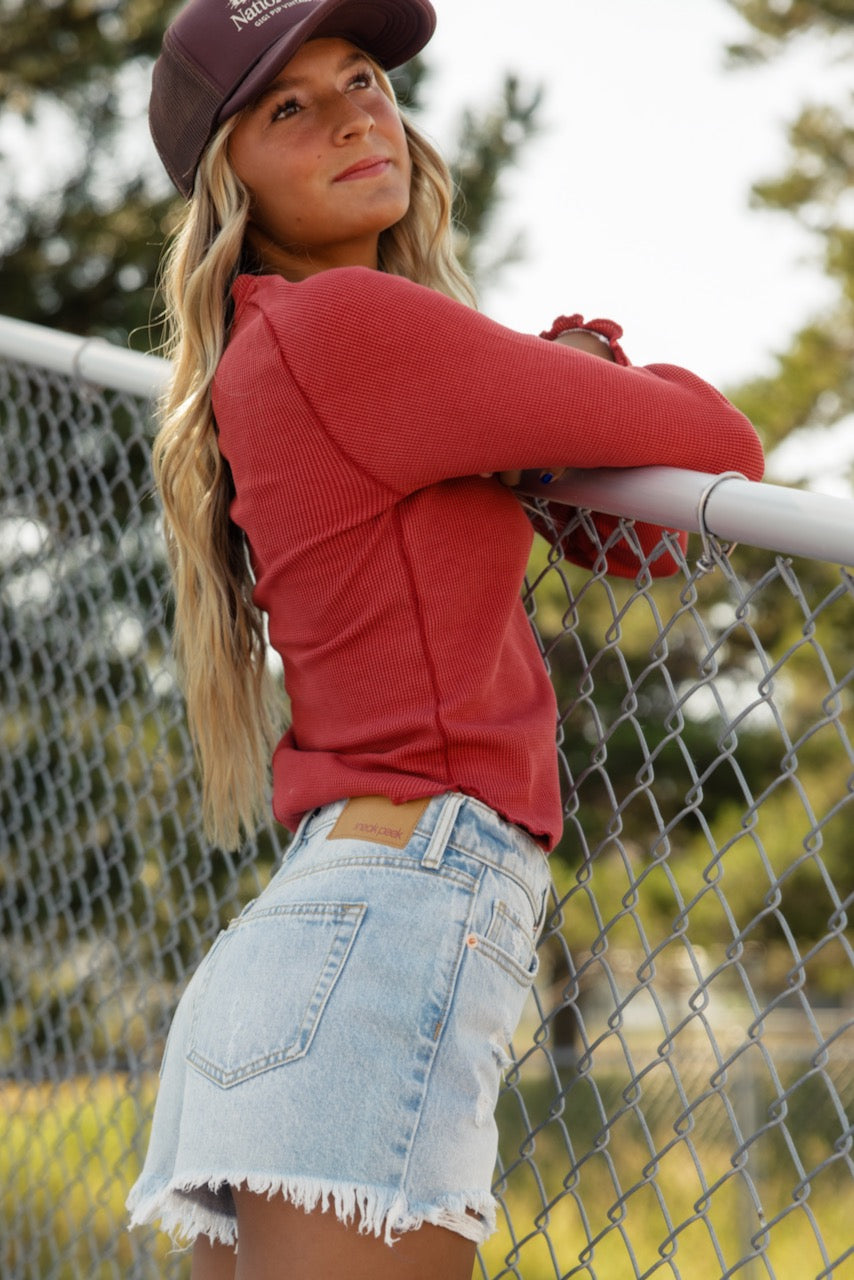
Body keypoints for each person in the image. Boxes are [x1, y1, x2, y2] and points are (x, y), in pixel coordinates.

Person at [127, 1, 765, 1277]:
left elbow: (636, 540)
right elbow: (721, 451)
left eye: (362, 76)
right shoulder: (354, 329)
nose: (356, 109)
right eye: (288, 106)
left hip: (315, 931)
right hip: (391, 922)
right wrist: (577, 365)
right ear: (228, 176)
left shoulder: (284, 346)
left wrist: (527, 405)